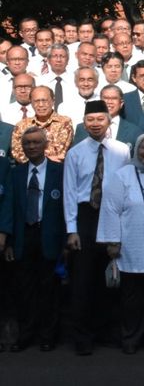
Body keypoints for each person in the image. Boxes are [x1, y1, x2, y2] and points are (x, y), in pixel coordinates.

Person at [64, 100, 131, 355]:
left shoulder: (122, 150)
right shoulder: (75, 152)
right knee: (83, 280)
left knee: (110, 277)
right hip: (85, 217)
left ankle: (106, 331)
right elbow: (70, 193)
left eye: (100, 119)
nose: (95, 124)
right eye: (90, 120)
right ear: (84, 122)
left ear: (108, 120)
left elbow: (126, 187)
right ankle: (82, 336)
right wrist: (72, 230)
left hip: (112, 214)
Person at [97, 133, 144, 354]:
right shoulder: (122, 176)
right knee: (132, 298)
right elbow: (110, 210)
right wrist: (112, 241)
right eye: (143, 148)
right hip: (131, 246)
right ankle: (130, 337)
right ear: (136, 150)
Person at [3, 127, 65, 352]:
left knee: (49, 289)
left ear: (45, 144)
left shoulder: (60, 171)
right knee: (24, 290)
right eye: (27, 143)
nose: (31, 146)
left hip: (49, 235)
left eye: (36, 142)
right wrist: (9, 241)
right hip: (23, 236)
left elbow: (66, 208)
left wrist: (67, 238)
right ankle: (26, 335)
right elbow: (9, 206)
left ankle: (48, 336)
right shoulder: (16, 173)